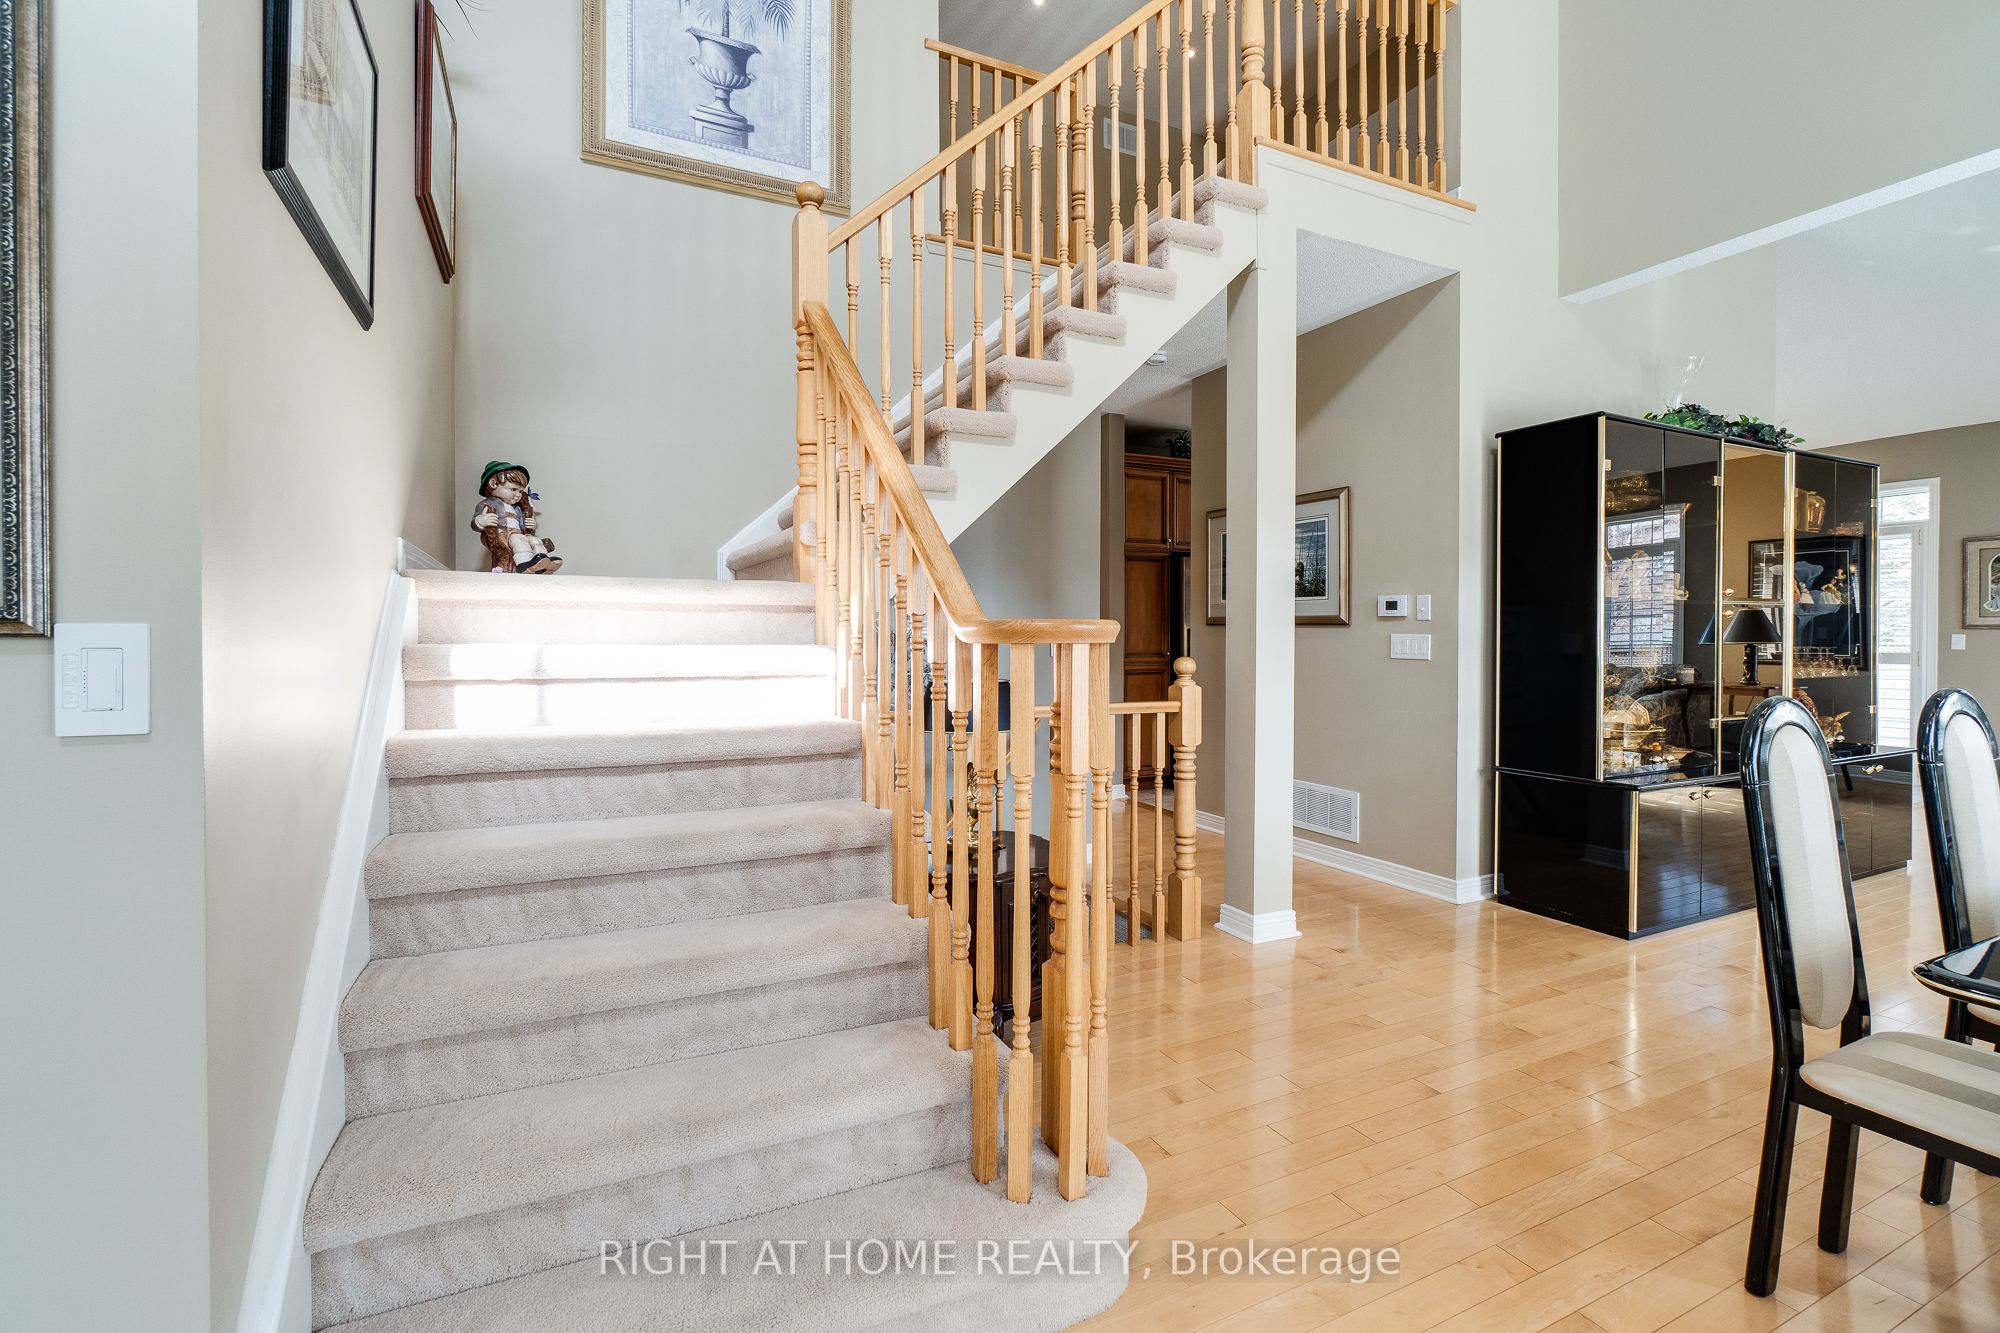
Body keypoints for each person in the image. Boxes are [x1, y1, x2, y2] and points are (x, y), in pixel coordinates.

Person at [472, 461, 562, 574]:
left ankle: (542, 562)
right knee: (519, 540)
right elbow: (475, 523)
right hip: (502, 534)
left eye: (520, 491)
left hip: (517, 533)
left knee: (534, 540)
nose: (518, 494)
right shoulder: (488, 504)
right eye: (513, 489)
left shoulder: (517, 508)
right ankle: (524, 564)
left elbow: (521, 524)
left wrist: (531, 525)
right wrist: (481, 521)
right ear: (493, 484)